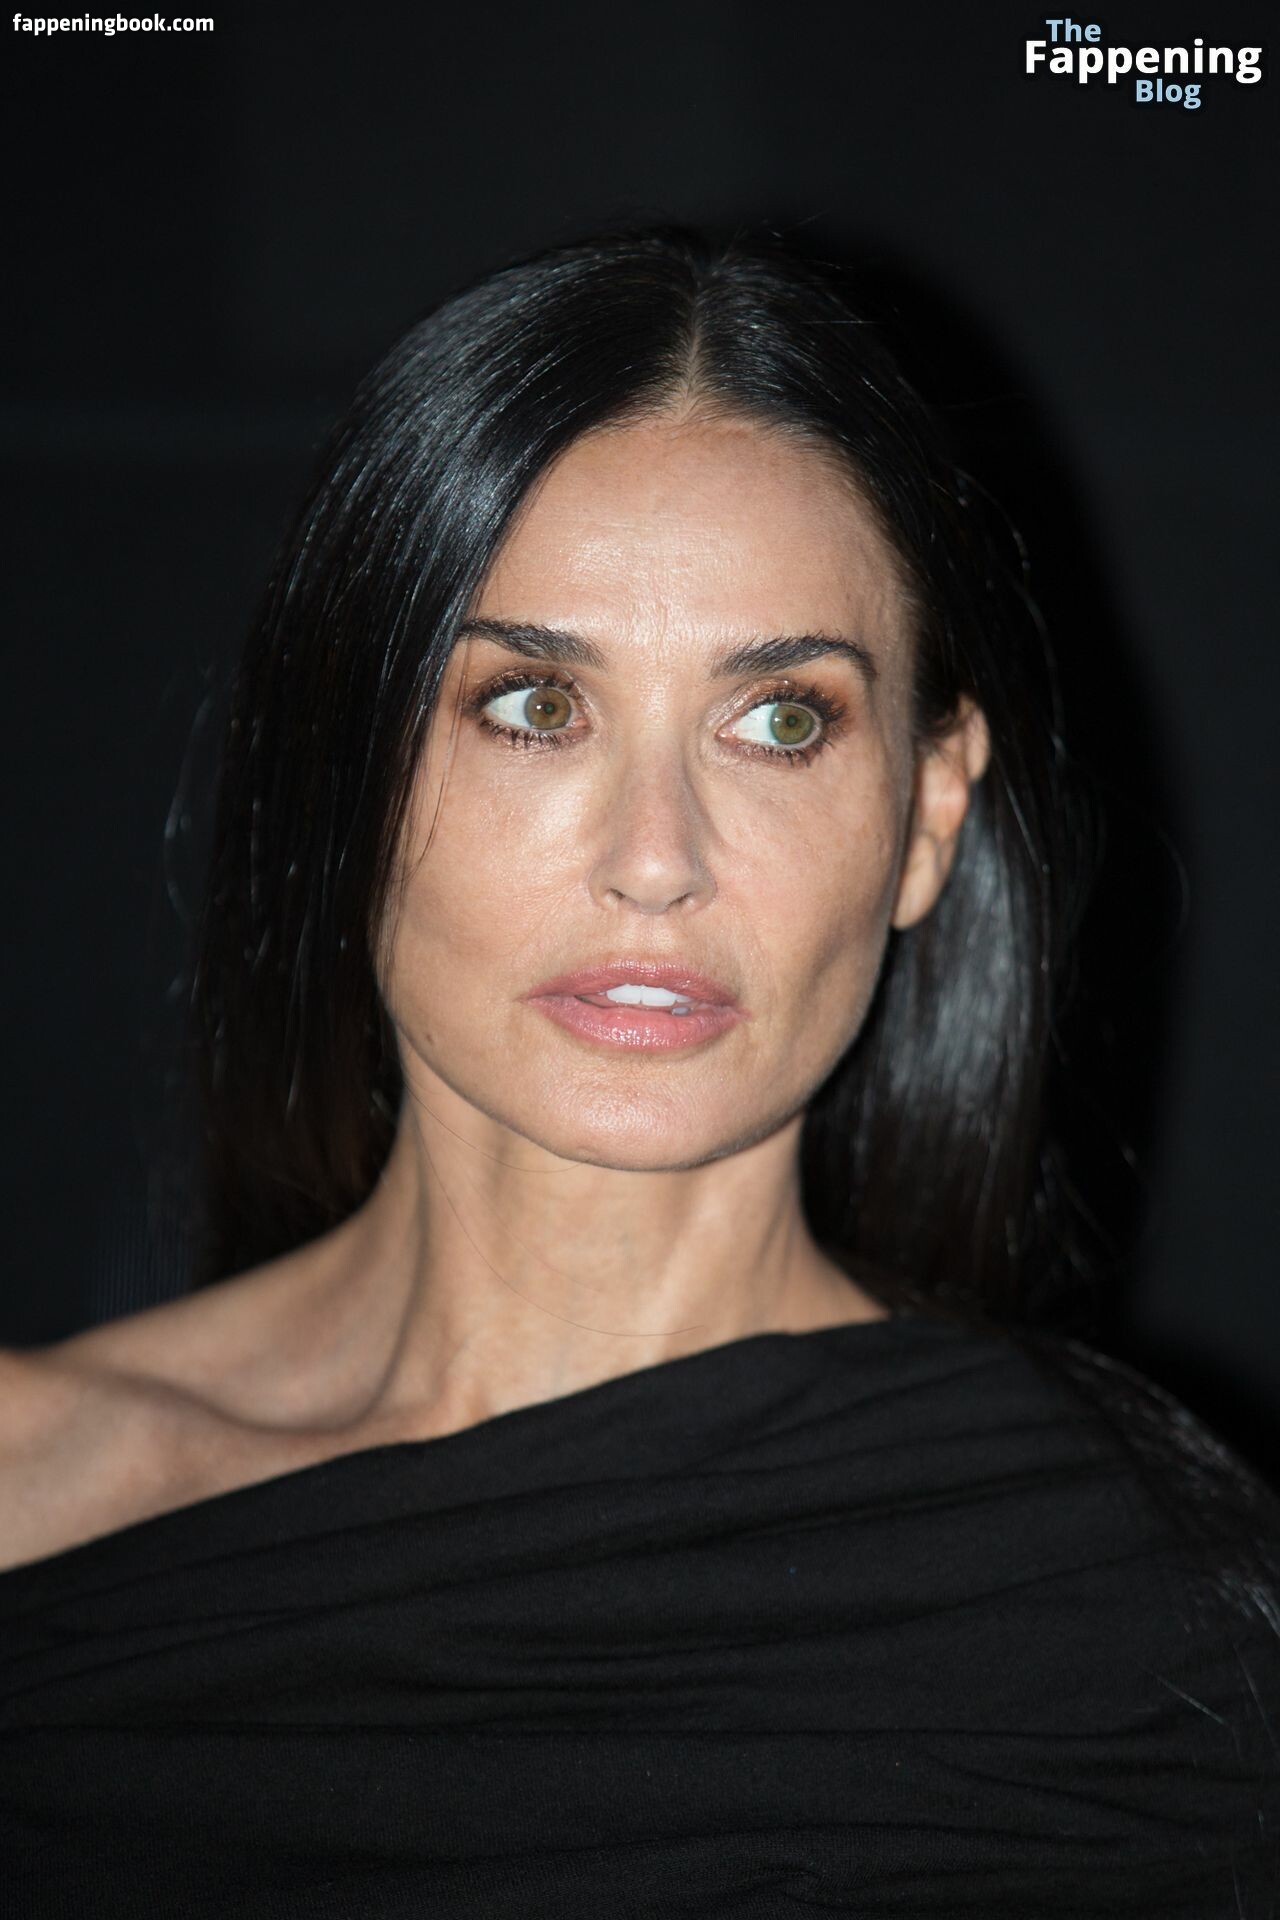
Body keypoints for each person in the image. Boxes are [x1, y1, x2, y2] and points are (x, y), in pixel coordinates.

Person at [1, 223, 1276, 1916]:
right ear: (342, 769)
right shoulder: (31, 1482)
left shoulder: (1139, 1610)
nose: (657, 860)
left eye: (783, 721)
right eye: (535, 705)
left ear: (927, 815)